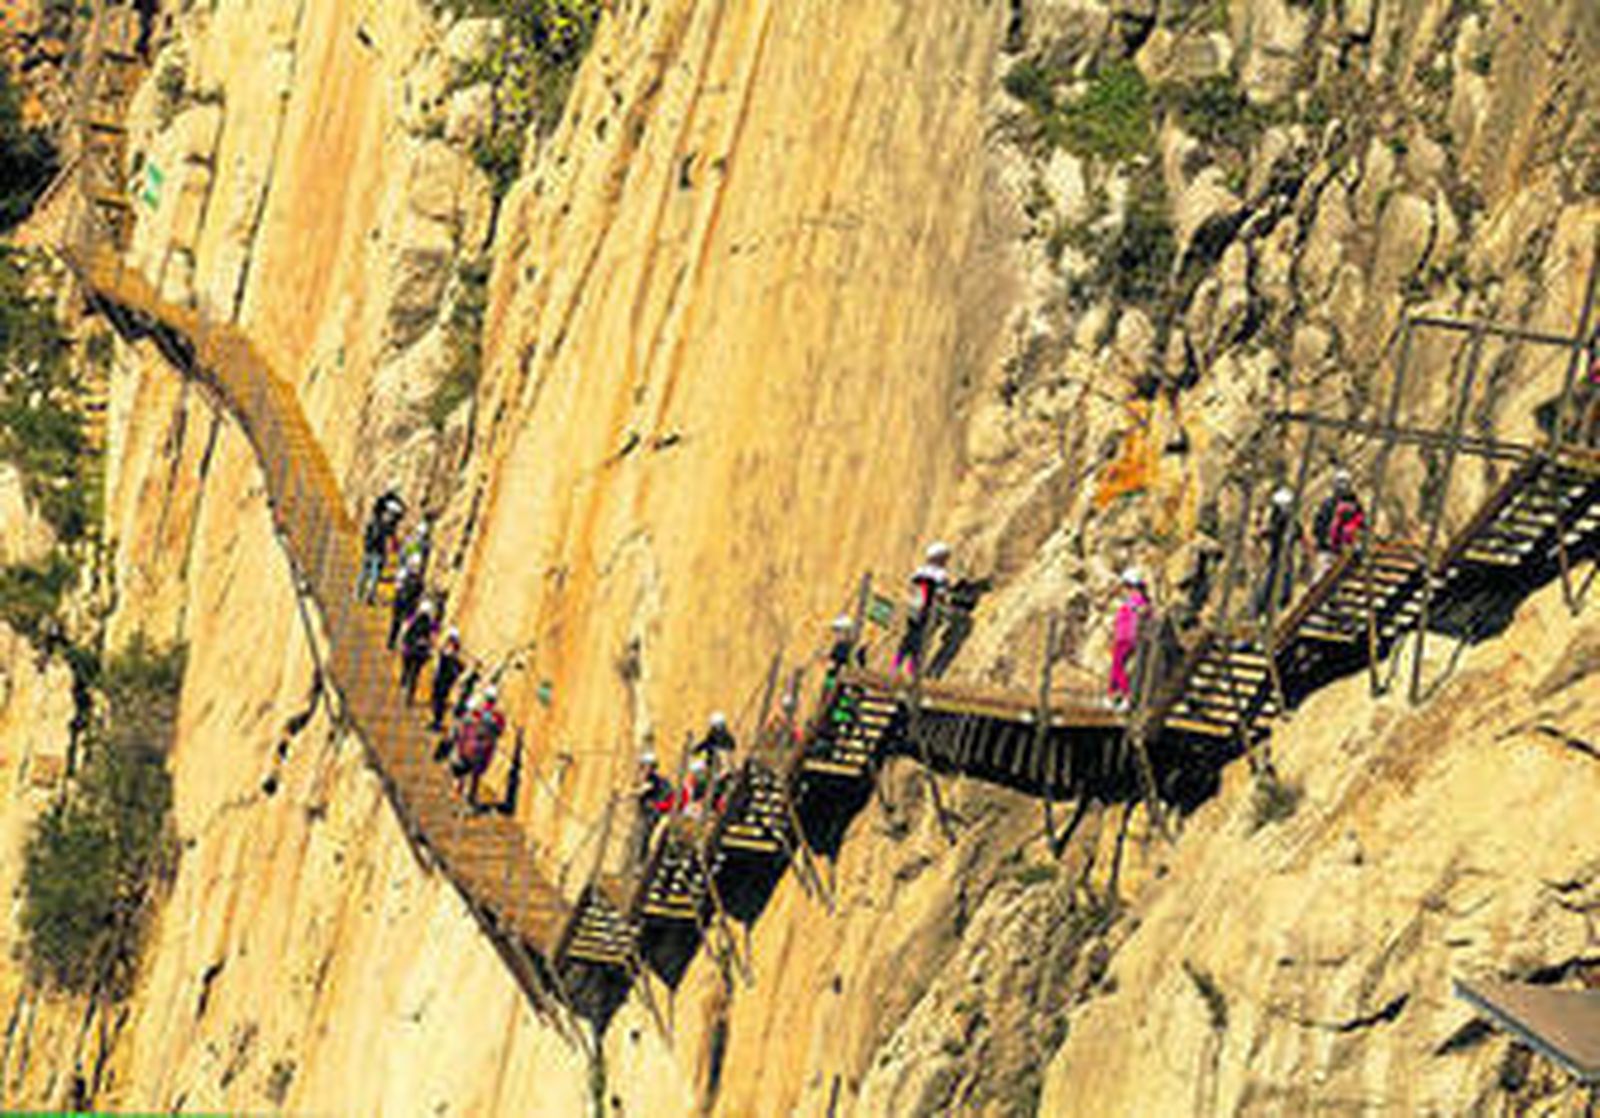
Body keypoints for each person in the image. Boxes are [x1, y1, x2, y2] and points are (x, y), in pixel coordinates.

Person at [892, 541, 952, 677]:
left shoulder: (920, 571)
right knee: (919, 642)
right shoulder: (941, 574)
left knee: (908, 638)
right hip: (927, 611)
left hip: (913, 608)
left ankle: (895, 666)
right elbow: (941, 594)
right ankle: (911, 671)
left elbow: (912, 587)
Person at [1254, 485, 1307, 619]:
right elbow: (1291, 532)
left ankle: (1270, 605)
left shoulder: (1285, 518)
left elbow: (1296, 532)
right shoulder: (1282, 517)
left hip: (1281, 553)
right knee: (1275, 580)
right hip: (1279, 553)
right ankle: (1266, 606)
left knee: (1278, 579)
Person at [453, 685, 505, 808]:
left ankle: (458, 794)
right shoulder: (497, 716)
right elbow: (499, 731)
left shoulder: (477, 711)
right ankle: (470, 797)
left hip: (467, 745)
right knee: (475, 775)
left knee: (462, 770)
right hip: (483, 750)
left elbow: (464, 724)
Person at [1107, 567, 1151, 711]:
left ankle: (1126, 696)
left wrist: (1136, 609)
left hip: (1127, 636)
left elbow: (1144, 610)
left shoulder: (1136, 599)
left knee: (1118, 666)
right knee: (1115, 666)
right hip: (1122, 636)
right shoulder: (1131, 599)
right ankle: (1112, 695)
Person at [1311, 469, 1365, 581]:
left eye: (1345, 483)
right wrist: (1322, 540)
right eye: (1340, 482)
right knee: (1321, 579)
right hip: (1328, 549)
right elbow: (1318, 525)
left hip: (1345, 550)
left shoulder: (1355, 505)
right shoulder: (1328, 504)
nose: (1342, 486)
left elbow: (1361, 525)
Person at [630, 748, 675, 864]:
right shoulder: (654, 779)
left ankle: (641, 860)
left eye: (644, 766)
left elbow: (643, 789)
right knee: (643, 834)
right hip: (655, 809)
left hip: (656, 811)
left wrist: (627, 794)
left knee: (646, 834)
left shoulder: (653, 779)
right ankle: (640, 859)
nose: (642, 769)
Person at [398, 600, 437, 703]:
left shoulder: (413, 619)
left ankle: (405, 685)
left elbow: (404, 631)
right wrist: (430, 648)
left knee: (408, 669)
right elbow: (433, 639)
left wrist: (403, 643)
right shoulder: (431, 624)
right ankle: (408, 693)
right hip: (420, 652)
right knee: (414, 674)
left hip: (411, 649)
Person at [692, 712, 736, 799]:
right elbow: (707, 743)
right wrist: (697, 749)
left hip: (719, 766)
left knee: (714, 783)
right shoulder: (714, 735)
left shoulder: (725, 738)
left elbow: (729, 750)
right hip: (712, 764)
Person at [429, 627, 465, 731]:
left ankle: (437, 722)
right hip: (441, 678)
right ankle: (436, 721)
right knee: (436, 700)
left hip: (444, 681)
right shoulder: (449, 649)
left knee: (439, 701)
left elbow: (447, 657)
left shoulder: (452, 652)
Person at [388, 554, 425, 650]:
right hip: (405, 604)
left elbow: (397, 587)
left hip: (402, 603)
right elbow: (419, 595)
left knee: (398, 624)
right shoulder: (417, 580)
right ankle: (396, 642)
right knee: (401, 624)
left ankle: (393, 642)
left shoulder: (405, 575)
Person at [399, 514, 434, 579]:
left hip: (412, 571)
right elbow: (402, 555)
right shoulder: (412, 541)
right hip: (408, 570)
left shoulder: (424, 543)